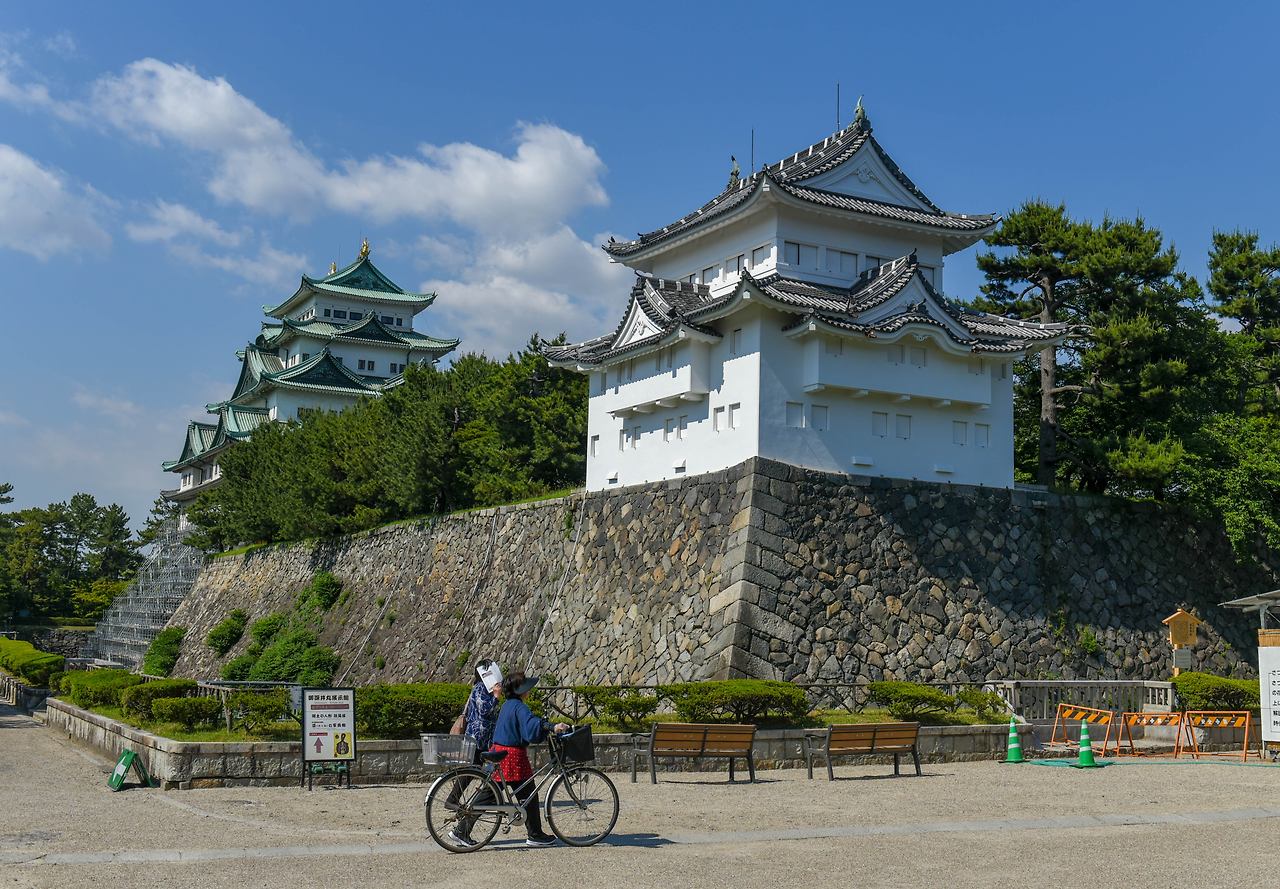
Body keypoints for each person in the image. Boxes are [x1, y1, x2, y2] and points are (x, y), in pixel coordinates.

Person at [490, 671, 569, 847]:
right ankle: (535, 834)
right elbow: (531, 726)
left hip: (499, 752)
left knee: (491, 792)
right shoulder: (520, 707)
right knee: (529, 795)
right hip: (512, 756)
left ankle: (462, 830)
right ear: (520, 691)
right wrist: (551, 726)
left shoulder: (507, 705)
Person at [447, 659, 504, 847]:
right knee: (472, 770)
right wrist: (496, 696)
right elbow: (484, 710)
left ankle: (468, 799)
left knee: (476, 770)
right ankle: (453, 799)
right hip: (477, 737)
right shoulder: (480, 688)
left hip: (484, 738)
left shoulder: (484, 689)